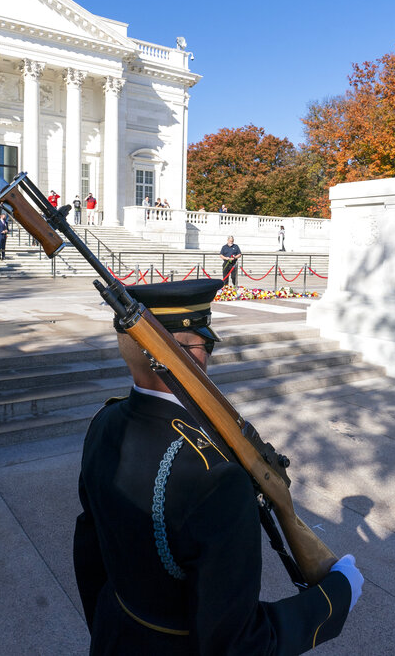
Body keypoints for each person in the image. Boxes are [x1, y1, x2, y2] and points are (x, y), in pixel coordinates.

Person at [73, 279, 362, 654]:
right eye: (205, 344)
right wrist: (337, 595)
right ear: (188, 355)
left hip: (114, 634)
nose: (207, 356)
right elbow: (238, 644)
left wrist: (107, 622)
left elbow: (89, 546)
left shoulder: (104, 421)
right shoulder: (217, 479)